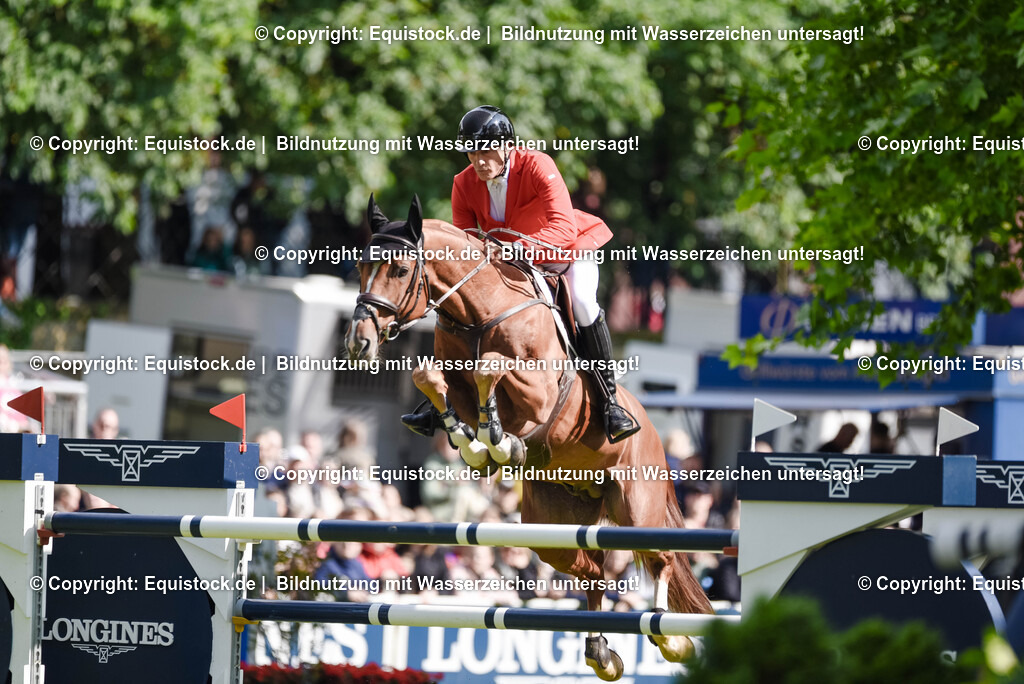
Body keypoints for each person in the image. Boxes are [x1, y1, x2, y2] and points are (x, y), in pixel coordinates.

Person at [402, 105, 638, 443]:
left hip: (565, 254)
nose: (479, 160)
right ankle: (439, 398)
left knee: (584, 303)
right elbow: (465, 248)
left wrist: (519, 249)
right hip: (508, 264)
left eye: (486, 150)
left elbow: (563, 229)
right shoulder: (463, 183)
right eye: (472, 151)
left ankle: (609, 401)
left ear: (507, 147)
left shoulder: (539, 165)